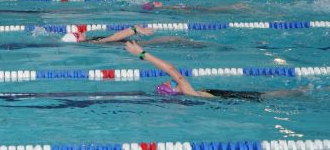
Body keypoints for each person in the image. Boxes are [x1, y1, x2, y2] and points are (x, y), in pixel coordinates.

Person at [124, 42, 309, 100]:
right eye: (169, 83)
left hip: (227, 96)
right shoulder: (188, 92)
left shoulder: (191, 94)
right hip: (236, 98)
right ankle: (312, 91)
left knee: (275, 94)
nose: (169, 80)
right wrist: (142, 54)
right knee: (277, 95)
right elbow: (173, 70)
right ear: (174, 91)